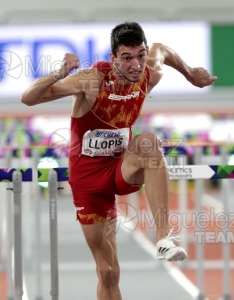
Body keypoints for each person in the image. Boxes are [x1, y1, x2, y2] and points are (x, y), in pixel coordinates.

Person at [21, 22, 217, 300]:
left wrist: (190, 74)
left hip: (120, 168)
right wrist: (59, 73)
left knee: (149, 142)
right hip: (88, 179)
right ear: (113, 59)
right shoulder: (91, 79)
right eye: (126, 58)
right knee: (108, 271)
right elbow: (28, 98)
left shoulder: (148, 73)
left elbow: (163, 50)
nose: (136, 65)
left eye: (140, 55)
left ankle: (164, 238)